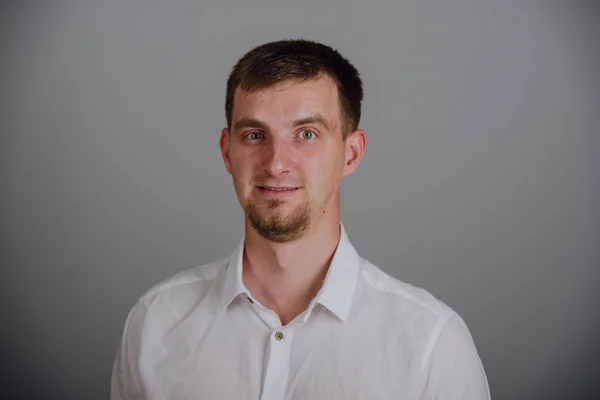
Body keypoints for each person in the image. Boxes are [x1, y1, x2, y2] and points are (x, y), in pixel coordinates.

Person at [110, 39, 491, 399]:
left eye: (306, 134)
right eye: (255, 135)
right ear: (228, 153)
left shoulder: (431, 345)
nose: (276, 164)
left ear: (351, 153)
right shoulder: (155, 323)